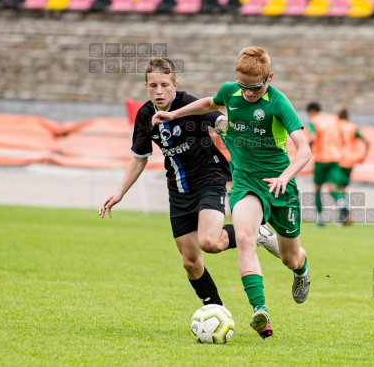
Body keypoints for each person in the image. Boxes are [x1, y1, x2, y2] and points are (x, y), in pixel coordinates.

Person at [152, 46, 312, 339]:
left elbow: (305, 151)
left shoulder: (279, 104)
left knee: (290, 257)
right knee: (244, 238)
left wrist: (284, 177)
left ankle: (301, 269)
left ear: (270, 78)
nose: (248, 93)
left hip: (281, 187)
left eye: (255, 88)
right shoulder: (231, 92)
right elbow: (208, 104)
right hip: (246, 183)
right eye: (243, 87)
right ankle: (259, 311)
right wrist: (172, 114)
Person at [99, 57, 279, 311]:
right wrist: (119, 192)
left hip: (209, 180)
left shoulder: (189, 104)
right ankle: (216, 310)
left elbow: (219, 120)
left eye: (164, 84)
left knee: (210, 242)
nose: (158, 91)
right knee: (191, 263)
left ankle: (256, 232)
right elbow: (140, 158)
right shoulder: (145, 115)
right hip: (178, 190)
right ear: (146, 86)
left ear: (175, 84)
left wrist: (240, 130)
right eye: (152, 85)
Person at [307, 102, 348, 226]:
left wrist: (307, 149)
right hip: (335, 158)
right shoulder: (334, 119)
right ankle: (342, 204)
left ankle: (320, 219)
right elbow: (343, 138)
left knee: (317, 189)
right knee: (333, 188)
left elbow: (313, 138)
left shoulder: (314, 120)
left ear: (312, 111)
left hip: (321, 159)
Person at [337, 108, 370, 223]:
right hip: (350, 161)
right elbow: (366, 141)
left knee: (334, 188)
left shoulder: (336, 125)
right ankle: (343, 216)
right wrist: (363, 156)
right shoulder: (352, 127)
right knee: (342, 189)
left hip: (337, 160)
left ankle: (343, 213)